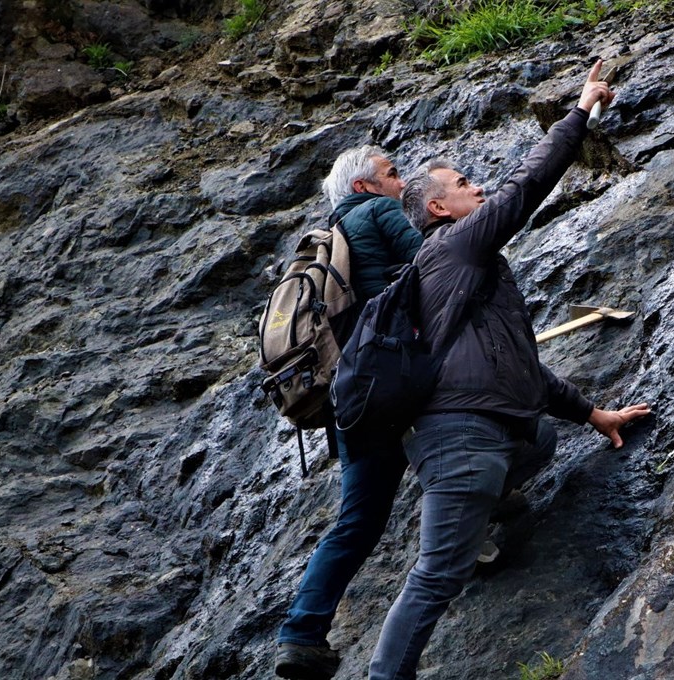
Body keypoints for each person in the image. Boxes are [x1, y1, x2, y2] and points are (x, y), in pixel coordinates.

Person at [367, 59, 651, 680]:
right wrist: (577, 114)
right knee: (437, 574)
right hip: (461, 439)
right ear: (440, 209)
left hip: (487, 428)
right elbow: (525, 188)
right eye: (466, 183)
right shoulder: (453, 247)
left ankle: (480, 513)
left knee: (541, 436)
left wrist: (592, 414)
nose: (481, 190)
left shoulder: (474, 274)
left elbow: (518, 372)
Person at [274, 146, 424, 680]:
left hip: (349, 393)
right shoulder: (380, 212)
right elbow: (433, 259)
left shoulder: (330, 241)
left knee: (356, 521)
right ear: (364, 187)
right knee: (464, 434)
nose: (402, 182)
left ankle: (301, 636)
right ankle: (486, 517)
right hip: (394, 378)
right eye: (392, 173)